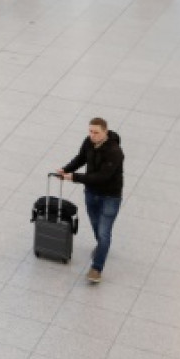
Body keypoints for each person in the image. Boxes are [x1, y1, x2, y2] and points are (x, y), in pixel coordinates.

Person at [57, 118, 124, 284]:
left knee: (104, 231)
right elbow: (80, 158)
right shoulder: (88, 142)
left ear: (105, 132)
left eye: (96, 132)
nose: (92, 135)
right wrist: (66, 169)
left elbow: (102, 177)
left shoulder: (115, 152)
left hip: (110, 196)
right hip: (91, 192)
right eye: (90, 131)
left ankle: (97, 268)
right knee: (96, 225)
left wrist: (74, 177)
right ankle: (102, 246)